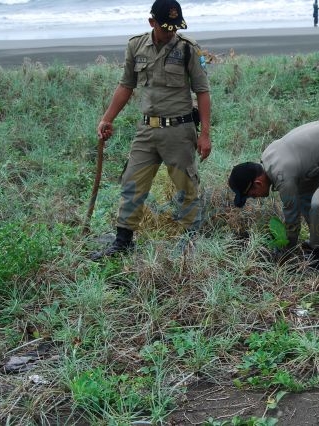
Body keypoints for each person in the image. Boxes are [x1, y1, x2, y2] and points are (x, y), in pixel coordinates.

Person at [90, 0, 211, 261]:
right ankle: (123, 241)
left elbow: (202, 91)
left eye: (175, 27)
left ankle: (190, 240)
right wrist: (106, 119)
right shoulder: (135, 46)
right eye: (166, 27)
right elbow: (126, 85)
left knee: (185, 186)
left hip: (179, 131)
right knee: (132, 183)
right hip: (146, 131)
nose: (171, 33)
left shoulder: (189, 49)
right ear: (151, 22)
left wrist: (205, 134)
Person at [228, 120, 319, 271]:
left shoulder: (281, 175)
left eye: (252, 195)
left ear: (258, 183)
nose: (255, 198)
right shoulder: (268, 157)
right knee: (305, 198)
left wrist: (286, 250)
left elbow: (292, 218)